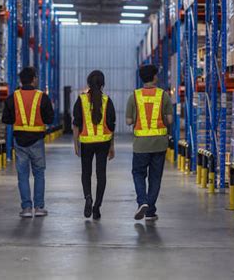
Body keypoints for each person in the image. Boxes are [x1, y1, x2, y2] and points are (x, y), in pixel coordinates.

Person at [2, 67, 55, 218]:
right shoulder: (42, 97)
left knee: (22, 175)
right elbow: (50, 119)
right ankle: (38, 207)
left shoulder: (13, 97)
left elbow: (6, 119)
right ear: (33, 79)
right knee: (39, 174)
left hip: (19, 142)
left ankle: (26, 208)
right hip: (37, 141)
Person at [126, 64, 173, 221]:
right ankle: (150, 210)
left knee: (138, 174)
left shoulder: (134, 96)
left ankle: (142, 202)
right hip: (159, 143)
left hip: (140, 145)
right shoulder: (163, 95)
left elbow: (128, 121)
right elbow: (170, 120)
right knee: (155, 177)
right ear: (153, 77)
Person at [72, 70, 116, 220]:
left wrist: (76, 144)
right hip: (103, 142)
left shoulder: (81, 100)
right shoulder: (107, 100)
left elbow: (76, 123)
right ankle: (97, 206)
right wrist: (112, 146)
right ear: (103, 84)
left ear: (88, 83)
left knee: (86, 173)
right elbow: (111, 125)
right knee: (101, 174)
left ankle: (88, 197)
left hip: (86, 143)